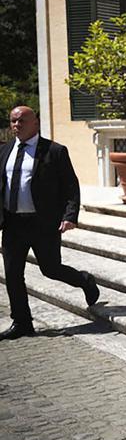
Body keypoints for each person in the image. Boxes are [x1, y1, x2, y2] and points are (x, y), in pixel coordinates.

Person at [0, 106, 100, 340]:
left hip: (42, 223)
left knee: (51, 269)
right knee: (12, 274)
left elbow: (70, 185)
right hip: (13, 223)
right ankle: (22, 322)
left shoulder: (54, 151)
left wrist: (69, 216)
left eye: (21, 121)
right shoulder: (4, 151)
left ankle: (85, 281)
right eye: (13, 121)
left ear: (35, 123)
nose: (16, 125)